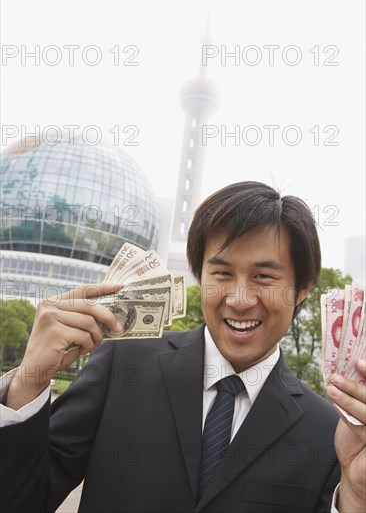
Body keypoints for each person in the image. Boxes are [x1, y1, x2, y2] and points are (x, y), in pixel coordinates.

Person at [1, 181, 365, 513]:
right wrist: (27, 385)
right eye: (221, 273)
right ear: (198, 276)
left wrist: (355, 498)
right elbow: (21, 501)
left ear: (301, 288)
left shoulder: (330, 432)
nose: (239, 300)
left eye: (264, 277)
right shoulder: (122, 365)